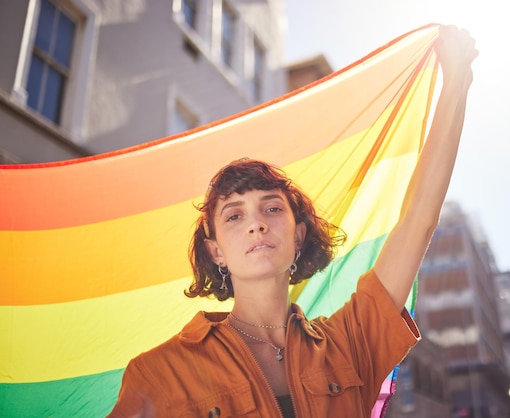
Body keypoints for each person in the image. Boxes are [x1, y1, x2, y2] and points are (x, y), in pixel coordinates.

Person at [108, 24, 477, 418]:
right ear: (215, 251)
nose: (256, 224)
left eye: (272, 208)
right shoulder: (160, 373)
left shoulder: (350, 343)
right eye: (234, 216)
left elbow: (419, 220)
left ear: (298, 236)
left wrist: (456, 81)